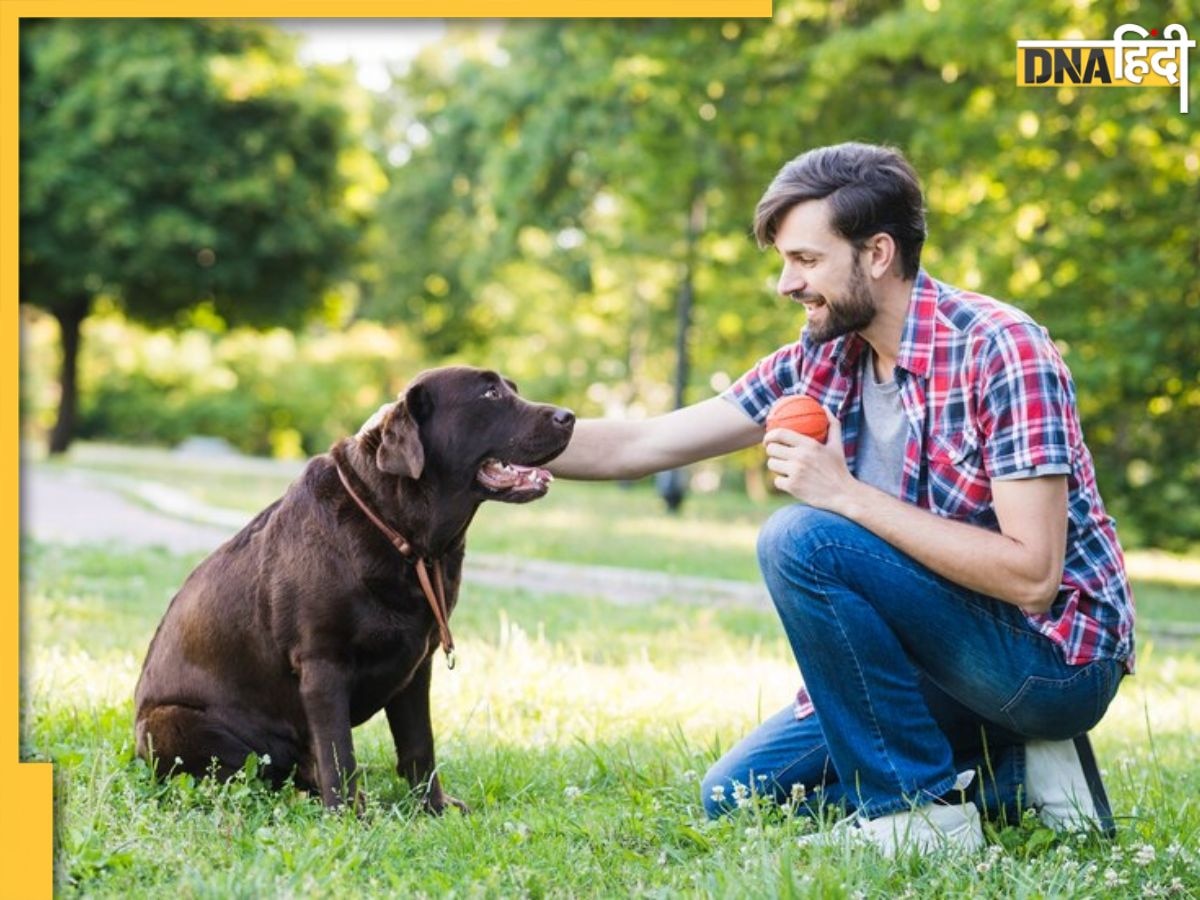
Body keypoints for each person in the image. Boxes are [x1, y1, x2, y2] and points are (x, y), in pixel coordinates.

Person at [547, 142, 1133, 855]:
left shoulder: (1002, 351)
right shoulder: (823, 356)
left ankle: (917, 817)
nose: (786, 284)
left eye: (807, 260)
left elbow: (1034, 577)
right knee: (734, 797)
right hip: (940, 665)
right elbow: (640, 445)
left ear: (878, 253)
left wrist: (846, 496)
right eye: (785, 261)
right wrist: (487, 442)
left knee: (801, 537)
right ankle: (1012, 774)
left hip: (1048, 662)